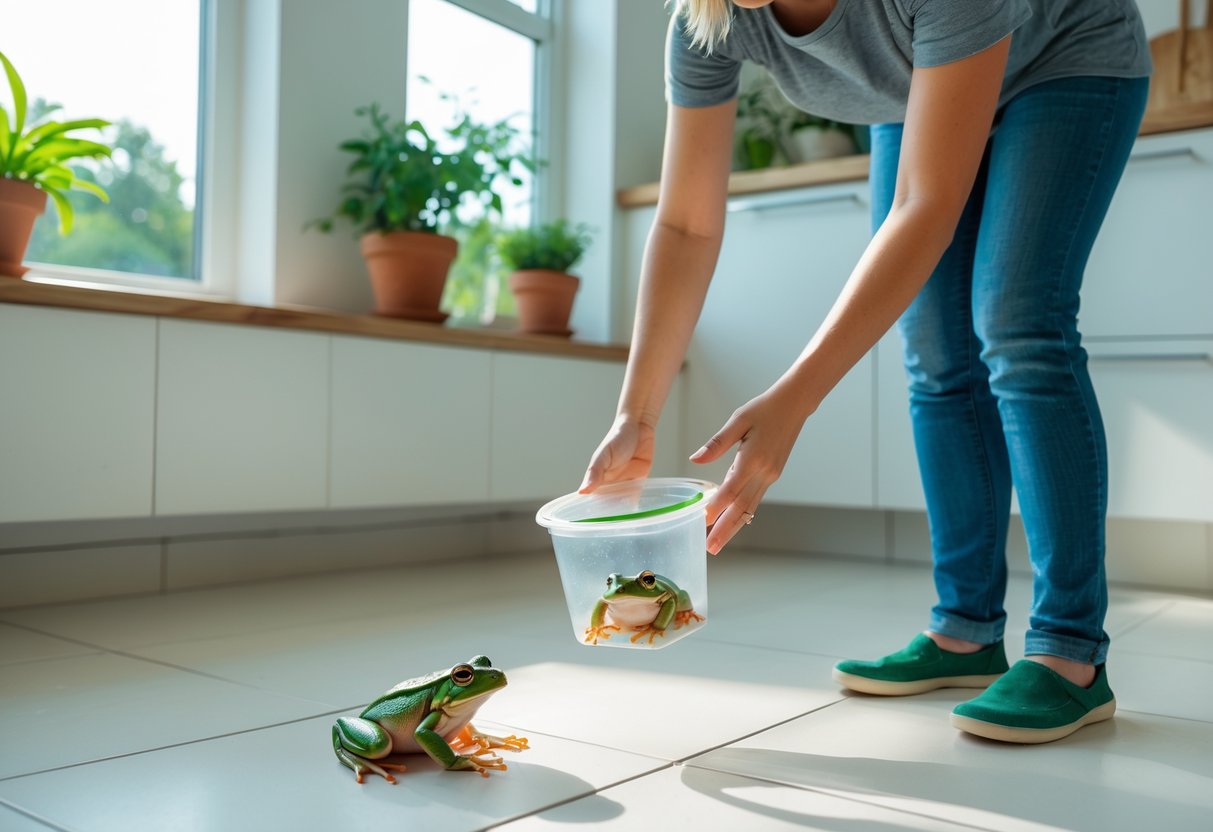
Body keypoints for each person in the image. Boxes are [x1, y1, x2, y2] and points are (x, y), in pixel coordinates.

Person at [578, 0, 1151, 744]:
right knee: (936, 353)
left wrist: (795, 400)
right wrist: (637, 414)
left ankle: (1069, 653)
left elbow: (925, 201)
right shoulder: (707, 18)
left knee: (1015, 319)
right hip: (913, 88)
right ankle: (965, 632)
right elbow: (685, 223)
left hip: (1063, 55)